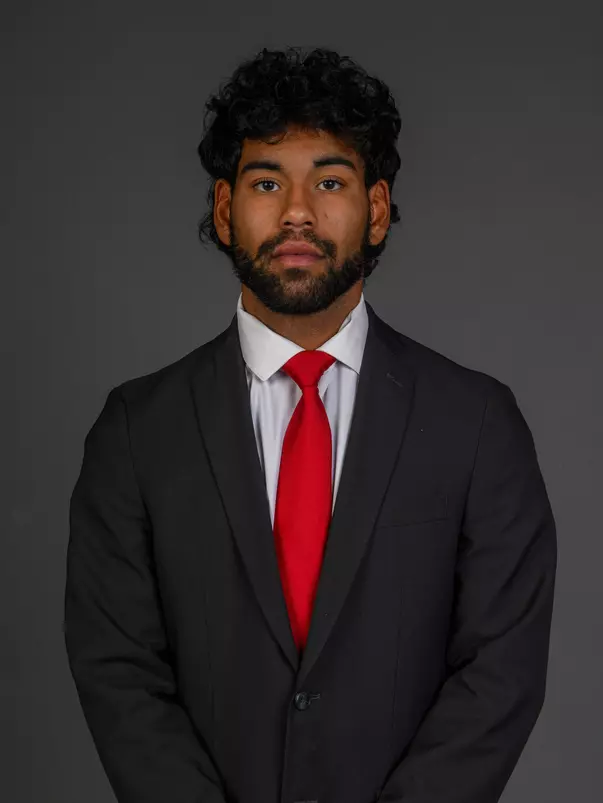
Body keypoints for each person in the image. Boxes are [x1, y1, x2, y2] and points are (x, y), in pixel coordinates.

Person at [64, 46, 557, 803]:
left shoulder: (478, 423)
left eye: (330, 181)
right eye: (266, 182)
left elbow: (500, 670)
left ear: (378, 208)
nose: (297, 211)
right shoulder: (136, 431)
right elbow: (119, 669)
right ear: (226, 210)